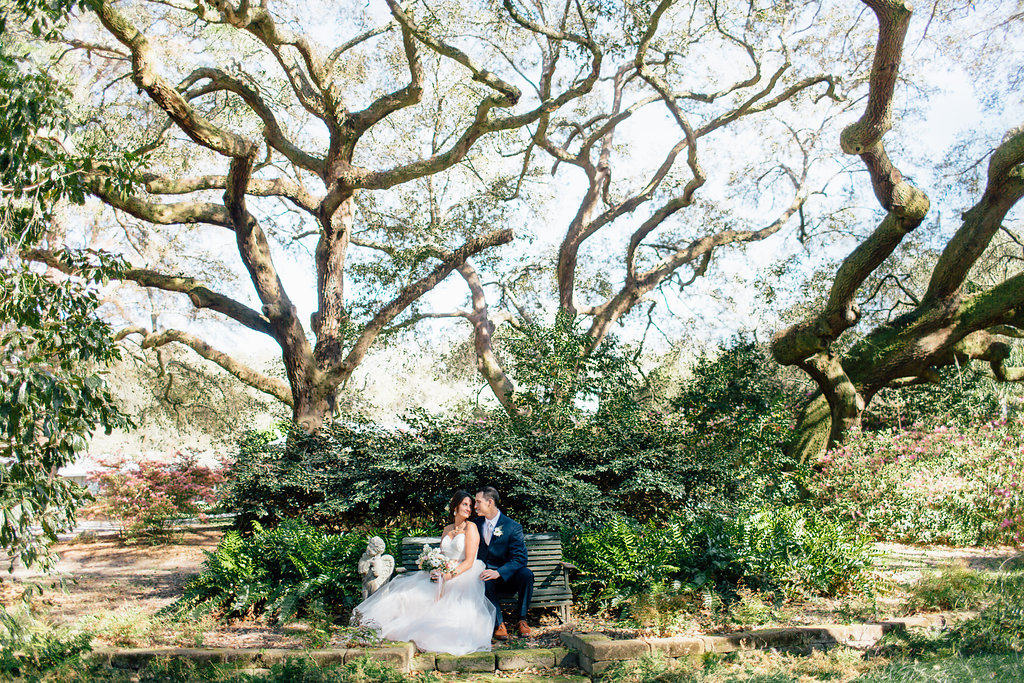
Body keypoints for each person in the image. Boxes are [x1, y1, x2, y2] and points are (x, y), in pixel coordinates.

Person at [353, 490, 497, 654]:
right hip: (441, 572)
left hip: (461, 575)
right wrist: (434, 568)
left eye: (471, 505)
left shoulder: (471, 528)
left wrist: (448, 576)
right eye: (465, 504)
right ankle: (372, 625)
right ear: (455, 507)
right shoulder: (447, 529)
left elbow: (469, 561)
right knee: (406, 594)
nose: (469, 508)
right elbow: (441, 555)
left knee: (438, 604)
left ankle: (419, 632)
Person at [474, 486, 534, 639]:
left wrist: (499, 572)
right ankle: (499, 624)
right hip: (486, 576)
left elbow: (520, 558)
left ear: (490, 502)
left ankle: (522, 620)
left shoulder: (512, 527)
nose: (475, 506)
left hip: (507, 577)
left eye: (478, 502)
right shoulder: (475, 524)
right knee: (484, 578)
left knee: (527, 574)